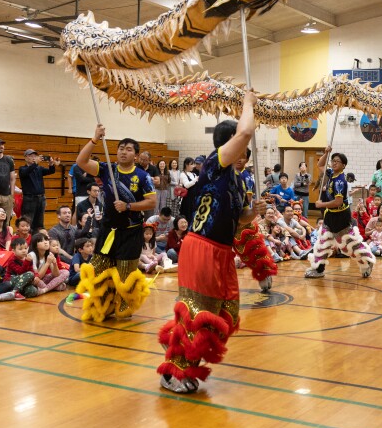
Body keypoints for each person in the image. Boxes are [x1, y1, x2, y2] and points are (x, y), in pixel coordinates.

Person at [157, 91, 272, 394]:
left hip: (222, 251)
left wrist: (253, 213)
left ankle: (188, 364)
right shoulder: (215, 163)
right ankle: (172, 373)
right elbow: (246, 131)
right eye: (240, 143)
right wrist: (248, 103)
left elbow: (239, 220)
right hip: (202, 247)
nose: (244, 148)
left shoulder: (236, 180)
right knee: (195, 312)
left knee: (226, 314)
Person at [75, 128, 156, 322]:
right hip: (107, 232)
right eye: (120, 148)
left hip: (130, 233)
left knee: (125, 275)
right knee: (98, 271)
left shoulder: (143, 177)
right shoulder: (106, 169)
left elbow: (152, 202)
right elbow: (81, 161)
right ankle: (103, 306)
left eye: (128, 149)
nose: (123, 152)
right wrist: (94, 139)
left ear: (136, 156)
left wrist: (128, 205)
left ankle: (124, 306)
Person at [304, 148, 375, 279]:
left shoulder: (340, 181)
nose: (334, 163)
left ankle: (367, 261)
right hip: (330, 215)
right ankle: (319, 269)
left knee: (349, 244)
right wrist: (326, 153)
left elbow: (338, 202)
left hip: (341, 216)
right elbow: (320, 165)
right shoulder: (331, 173)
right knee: (323, 241)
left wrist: (320, 205)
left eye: (338, 161)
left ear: (343, 165)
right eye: (333, 160)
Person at [19, 150, 58, 232]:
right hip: (29, 199)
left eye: (34, 156)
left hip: (41, 198)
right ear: (25, 157)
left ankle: (38, 239)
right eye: (31, 156)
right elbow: (26, 172)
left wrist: (51, 164)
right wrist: (35, 163)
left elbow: (51, 171)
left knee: (40, 221)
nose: (33, 157)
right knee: (28, 220)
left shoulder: (38, 168)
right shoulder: (22, 169)